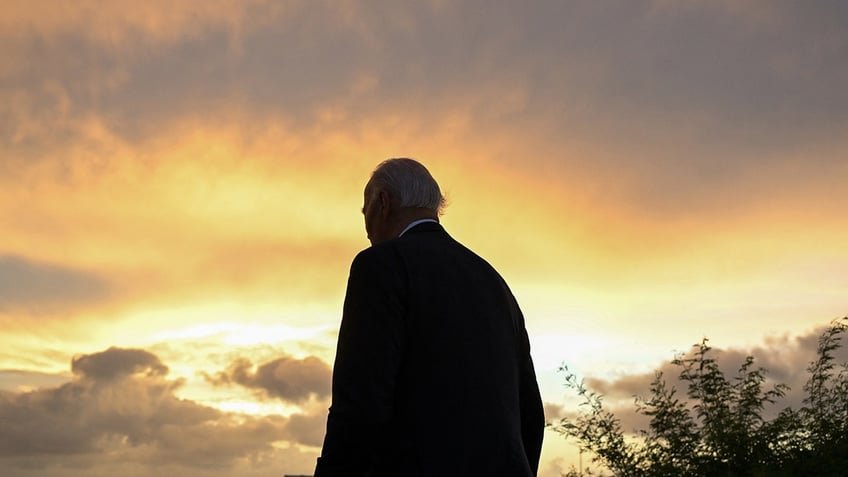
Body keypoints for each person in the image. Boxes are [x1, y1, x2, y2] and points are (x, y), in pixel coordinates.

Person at [314, 158, 544, 477]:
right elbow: (530, 412)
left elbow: (361, 402)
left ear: (383, 202)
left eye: (364, 210)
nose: (365, 226)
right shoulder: (494, 281)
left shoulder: (381, 265)